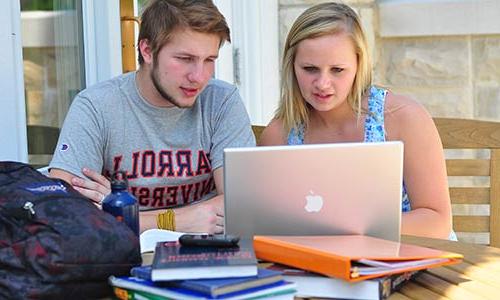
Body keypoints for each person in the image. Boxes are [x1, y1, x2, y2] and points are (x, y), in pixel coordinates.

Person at [49, 0, 255, 234]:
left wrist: (120, 213)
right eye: (185, 59)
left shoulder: (222, 101)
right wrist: (181, 220)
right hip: (122, 259)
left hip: (209, 252)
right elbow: (61, 211)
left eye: (209, 60)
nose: (199, 76)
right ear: (147, 50)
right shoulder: (97, 106)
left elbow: (243, 205)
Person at [259, 2, 454, 239]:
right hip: (320, 266)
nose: (322, 83)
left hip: (407, 261)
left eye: (338, 70)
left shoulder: (402, 118)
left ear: (359, 65)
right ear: (291, 66)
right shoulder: (279, 134)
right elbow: (267, 224)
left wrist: (351, 228)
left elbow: (437, 222)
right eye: (310, 69)